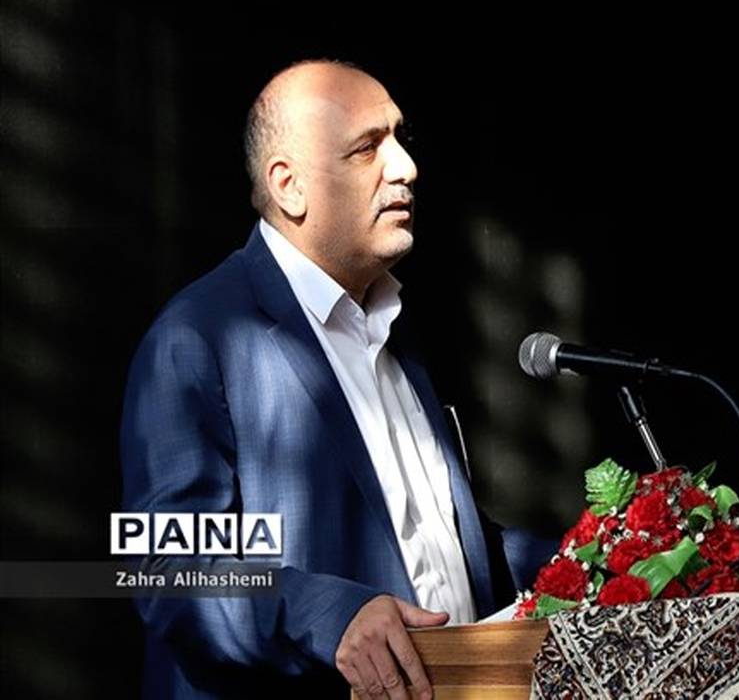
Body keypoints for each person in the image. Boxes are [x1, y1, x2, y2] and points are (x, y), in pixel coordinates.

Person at [120, 60, 539, 699]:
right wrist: (331, 615)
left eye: (399, 139)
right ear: (289, 187)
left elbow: (447, 545)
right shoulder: (197, 337)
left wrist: (608, 556)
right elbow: (168, 567)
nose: (405, 167)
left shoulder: (394, 327)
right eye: (367, 148)